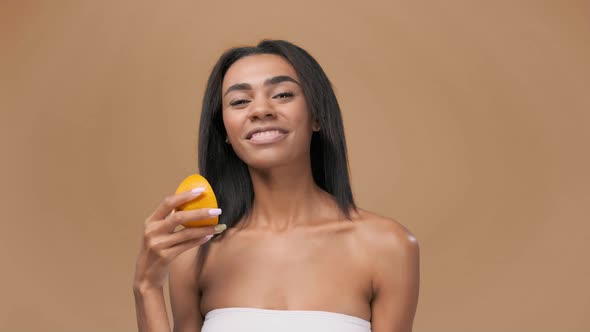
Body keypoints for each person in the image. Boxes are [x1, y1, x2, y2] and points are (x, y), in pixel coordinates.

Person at [133, 39, 420, 332]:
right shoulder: (196, 254)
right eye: (240, 101)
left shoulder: (387, 246)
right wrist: (147, 288)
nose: (260, 110)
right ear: (226, 133)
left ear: (317, 116)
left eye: (282, 94)